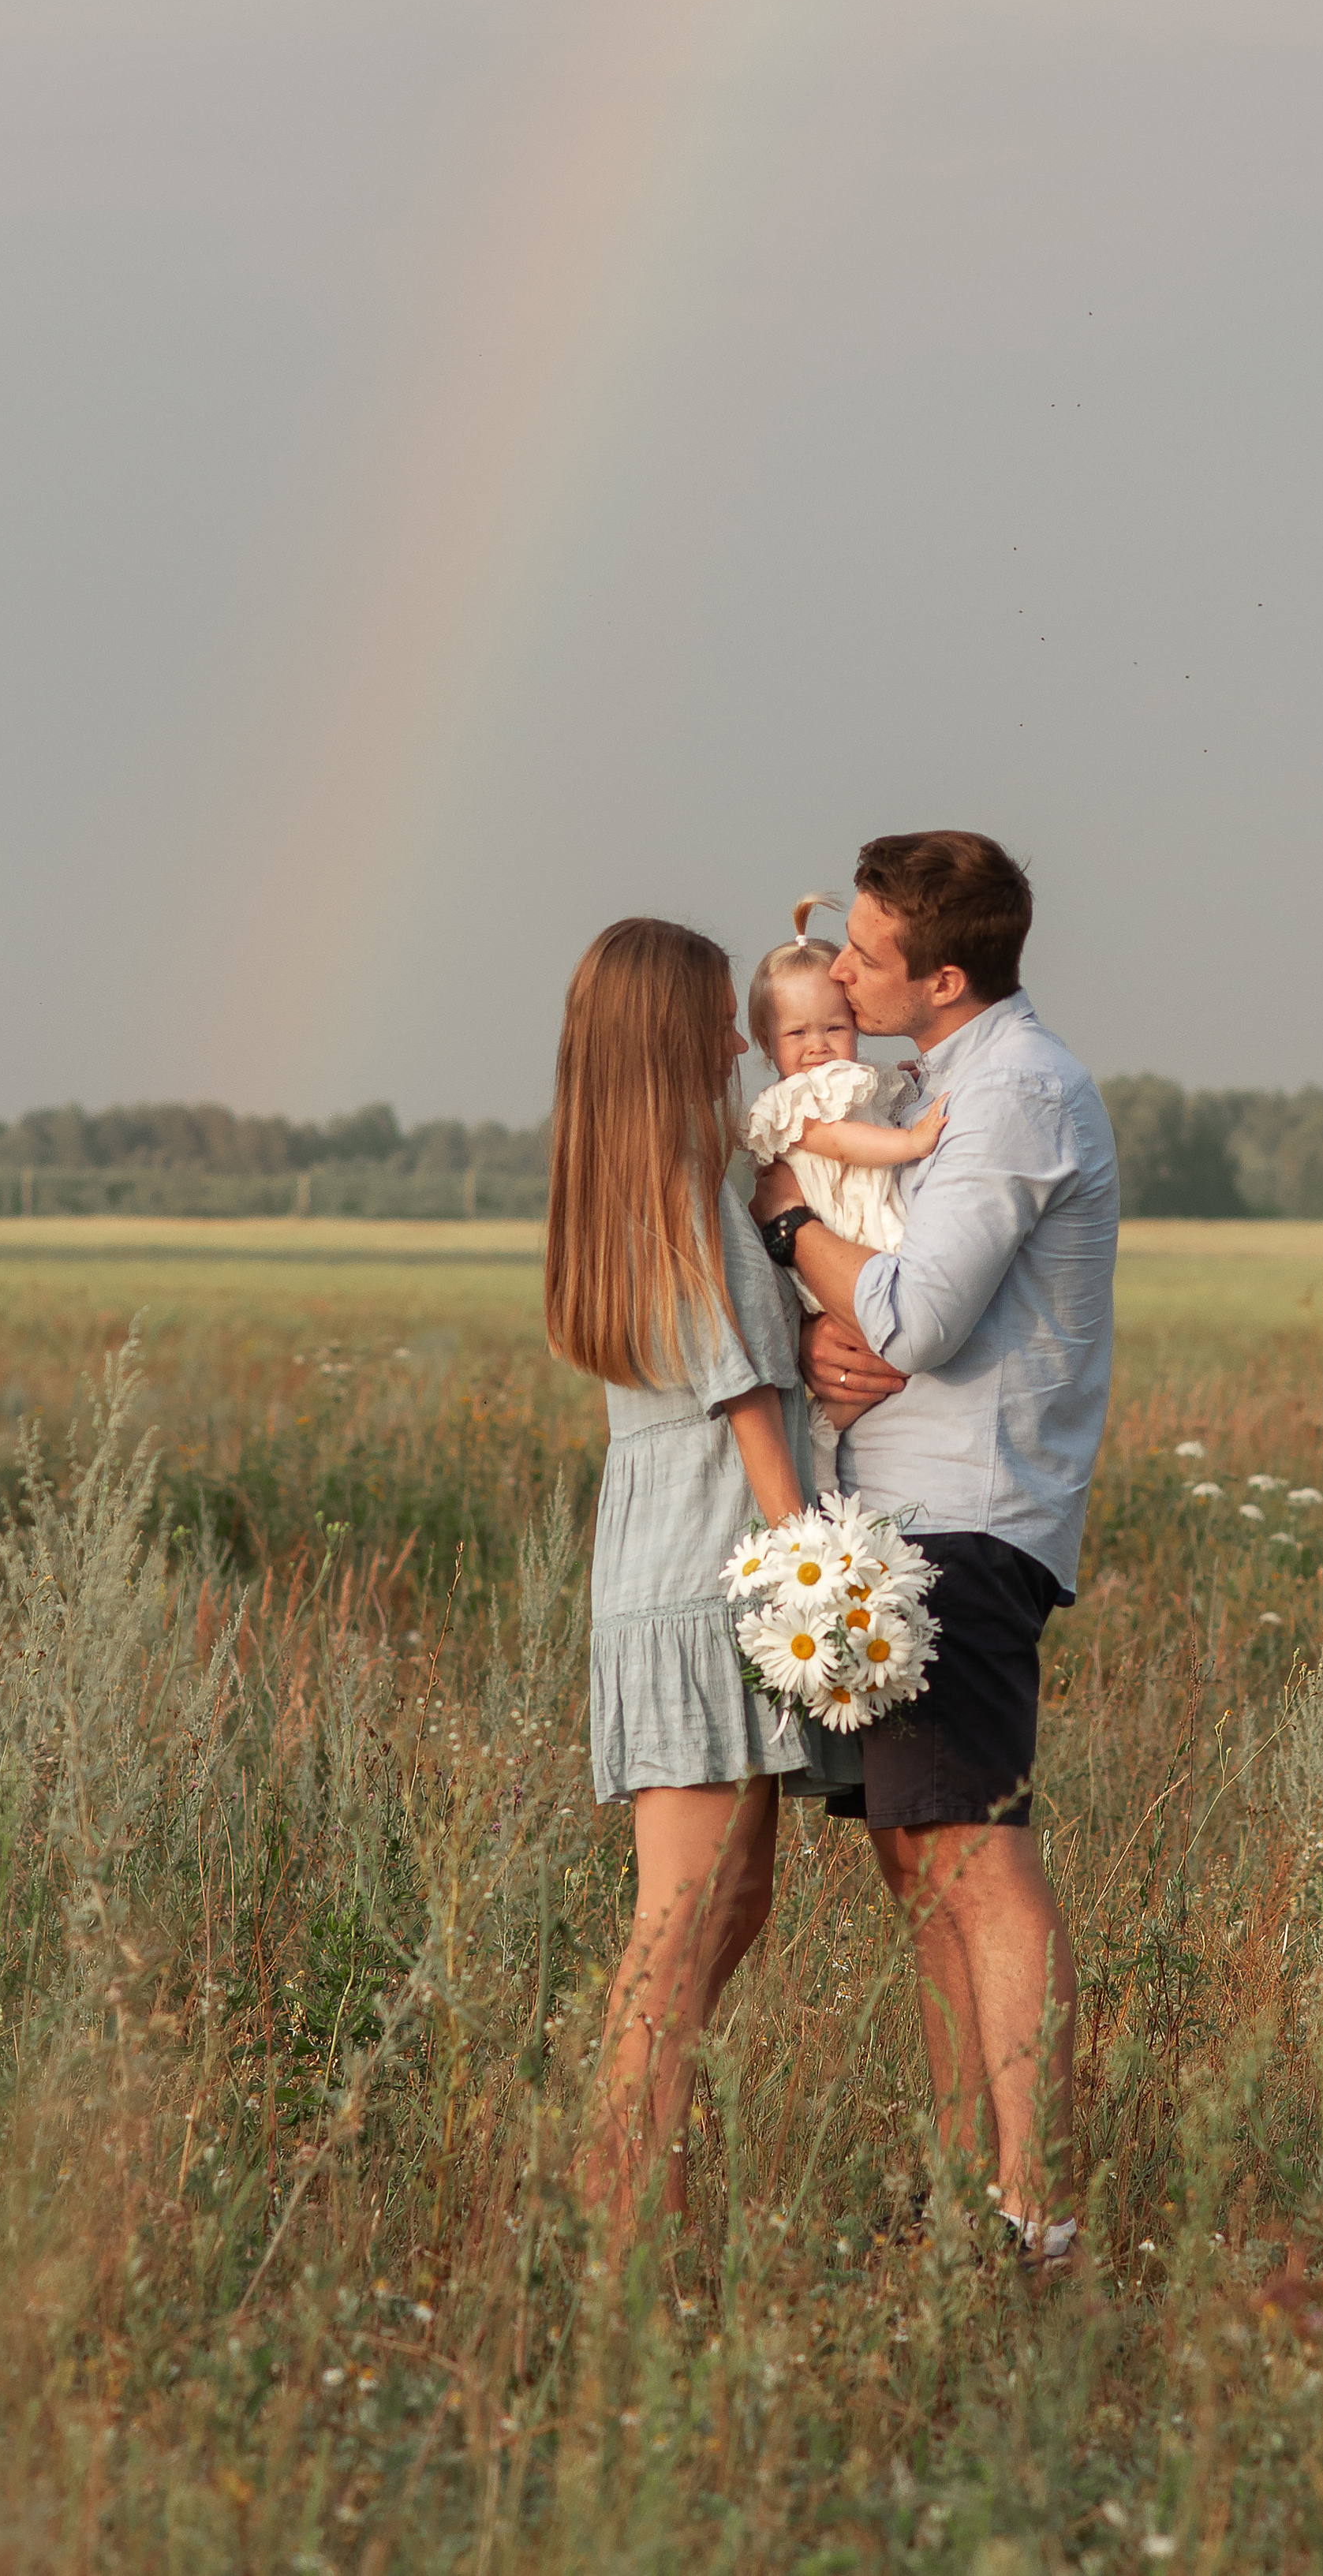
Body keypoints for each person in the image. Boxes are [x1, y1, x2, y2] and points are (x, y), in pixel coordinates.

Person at [747, 832, 1119, 2262]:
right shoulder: (933, 1086)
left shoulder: (1014, 1094)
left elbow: (913, 1318)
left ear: (944, 975)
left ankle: (1034, 2211)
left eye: (864, 952)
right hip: (901, 1513)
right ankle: (977, 2194)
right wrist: (825, 1339)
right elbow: (878, 1316)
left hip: (967, 1522)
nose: (836, 971)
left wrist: (790, 1228)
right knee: (921, 1856)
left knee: (975, 1853)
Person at [545, 915, 854, 2245]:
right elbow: (746, 1407)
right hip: (714, 1583)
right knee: (680, 1936)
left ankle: (637, 2208)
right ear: (670, 1035)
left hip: (672, 1576)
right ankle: (626, 2231)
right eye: (719, 1018)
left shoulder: (640, 1185)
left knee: (721, 1915)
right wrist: (821, 1590)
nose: (741, 1039)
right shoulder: (682, 1196)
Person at [742, 893, 950, 1490]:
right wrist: (910, 1144)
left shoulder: (851, 1082)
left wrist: (908, 1084)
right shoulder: (796, 1102)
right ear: (766, 1042)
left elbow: (869, 1111)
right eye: (797, 1032)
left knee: (884, 1353)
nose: (818, 1045)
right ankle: (821, 1450)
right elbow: (843, 1144)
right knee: (879, 1342)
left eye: (836, 1026)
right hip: (842, 1232)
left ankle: (829, 1450)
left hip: (855, 1219)